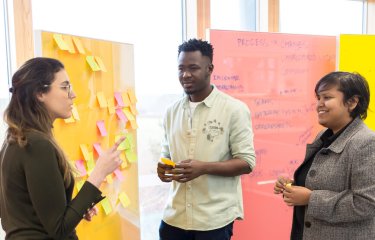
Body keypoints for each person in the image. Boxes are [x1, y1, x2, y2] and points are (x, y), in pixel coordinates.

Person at [0, 57, 124, 239]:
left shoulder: (15, 139)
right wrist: (99, 173)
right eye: (65, 87)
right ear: (39, 93)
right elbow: (59, 229)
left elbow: (36, 213)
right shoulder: (37, 144)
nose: (72, 94)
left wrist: (78, 208)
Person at [157, 39, 256, 240]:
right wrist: (162, 167)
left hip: (214, 221)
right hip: (174, 218)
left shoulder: (234, 109)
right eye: (181, 68)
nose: (185, 75)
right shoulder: (171, 111)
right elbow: (166, 153)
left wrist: (203, 167)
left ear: (209, 69)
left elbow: (246, 163)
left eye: (193, 68)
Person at [274, 71, 375, 240]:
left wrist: (311, 199)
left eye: (327, 98)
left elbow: (366, 204)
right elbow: (323, 183)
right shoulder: (323, 136)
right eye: (318, 98)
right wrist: (292, 186)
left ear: (352, 102)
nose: (319, 104)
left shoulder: (366, 142)